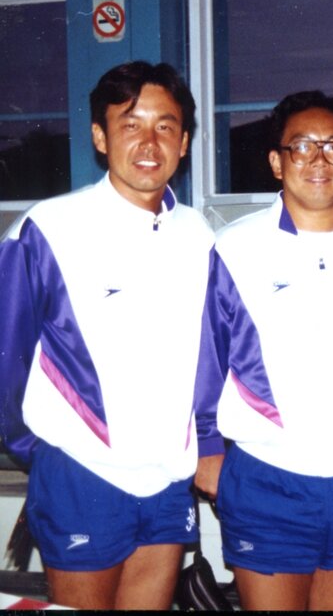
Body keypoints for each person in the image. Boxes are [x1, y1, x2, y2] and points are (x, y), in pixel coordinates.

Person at [0, 61, 213, 609]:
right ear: (100, 135)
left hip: (168, 479)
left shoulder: (198, 233)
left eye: (165, 126)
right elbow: (6, 361)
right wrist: (50, 453)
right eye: (130, 123)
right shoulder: (46, 227)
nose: (149, 141)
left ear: (184, 142)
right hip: (80, 476)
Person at [193, 91, 333, 611]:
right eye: (301, 146)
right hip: (267, 477)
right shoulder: (234, 248)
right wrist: (208, 448)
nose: (318, 160)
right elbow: (204, 358)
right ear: (276, 161)